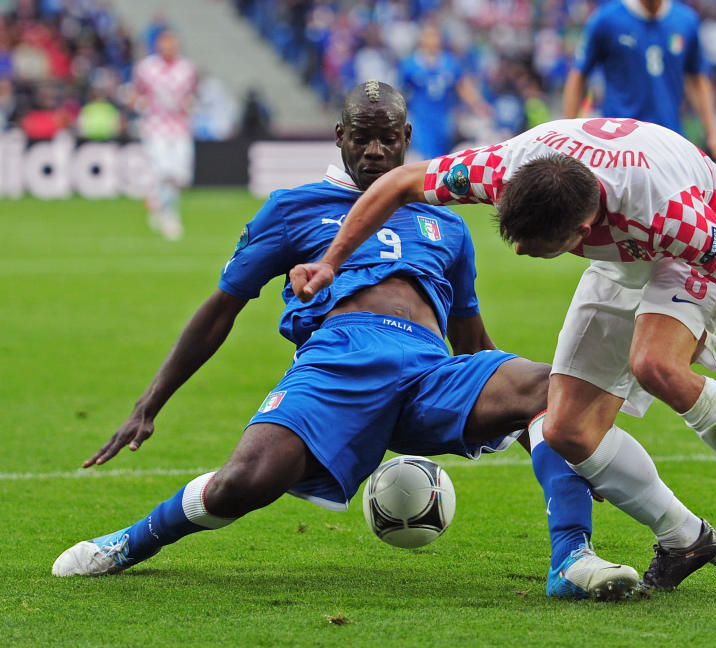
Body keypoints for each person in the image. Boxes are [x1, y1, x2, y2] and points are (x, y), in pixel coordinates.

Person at [51, 84, 656, 600]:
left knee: (553, 389)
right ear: (339, 136)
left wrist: (547, 442)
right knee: (244, 482)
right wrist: (149, 404)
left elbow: (472, 339)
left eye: (387, 138)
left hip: (428, 372)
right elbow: (220, 309)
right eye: (361, 137)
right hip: (339, 363)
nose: (374, 150)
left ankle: (571, 560)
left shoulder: (445, 221)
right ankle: (128, 543)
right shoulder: (293, 209)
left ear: (406, 136)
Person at [290, 117, 716, 581]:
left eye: (539, 246)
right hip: (620, 243)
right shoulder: (504, 168)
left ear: (583, 233)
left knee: (655, 364)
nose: (523, 254)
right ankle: (685, 537)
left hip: (702, 221)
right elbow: (399, 182)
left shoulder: (672, 220)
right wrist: (329, 262)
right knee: (566, 430)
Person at [561, 0, 716, 167]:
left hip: (669, 141)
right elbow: (578, 75)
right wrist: (569, 134)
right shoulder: (606, 20)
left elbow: (698, 80)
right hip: (618, 145)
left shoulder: (686, 20)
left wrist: (714, 134)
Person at [132, 28, 197, 241]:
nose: (168, 47)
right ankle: (170, 216)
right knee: (164, 171)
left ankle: (156, 202)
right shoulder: (146, 68)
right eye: (164, 43)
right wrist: (140, 104)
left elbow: (192, 96)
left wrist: (191, 105)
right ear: (158, 45)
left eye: (171, 43)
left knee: (180, 175)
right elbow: (135, 93)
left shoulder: (187, 68)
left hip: (180, 127)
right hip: (155, 126)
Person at [399, 23, 492, 160]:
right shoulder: (409, 64)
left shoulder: (450, 62)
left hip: (444, 117)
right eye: (428, 36)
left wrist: (479, 105)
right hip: (421, 118)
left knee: (443, 157)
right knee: (425, 156)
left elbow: (462, 87)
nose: (432, 40)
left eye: (435, 36)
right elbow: (401, 92)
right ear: (421, 39)